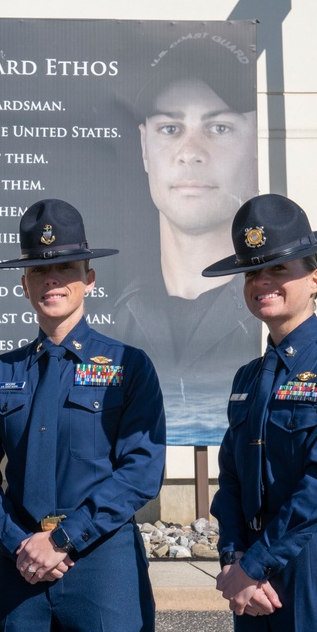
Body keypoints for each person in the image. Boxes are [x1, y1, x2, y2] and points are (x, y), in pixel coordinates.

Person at [0, 199, 166, 632]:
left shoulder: (128, 366)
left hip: (101, 562)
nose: (51, 279)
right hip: (21, 565)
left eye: (66, 267)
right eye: (38, 269)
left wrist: (63, 539)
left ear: (89, 278)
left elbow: (141, 471)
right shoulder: (2, 373)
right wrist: (17, 541)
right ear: (24, 284)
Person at [204, 193, 317, 632]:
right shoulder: (249, 377)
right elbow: (232, 481)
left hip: (315, 563)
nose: (262, 281)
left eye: (279, 268)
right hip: (254, 575)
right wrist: (232, 558)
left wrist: (253, 565)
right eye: (252, 271)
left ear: (316, 278)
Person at [116, 29, 261, 445]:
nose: (190, 151)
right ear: (144, 145)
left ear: (252, 143)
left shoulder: (266, 313)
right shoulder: (116, 315)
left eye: (218, 127)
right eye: (170, 127)